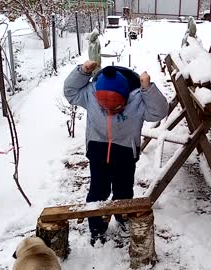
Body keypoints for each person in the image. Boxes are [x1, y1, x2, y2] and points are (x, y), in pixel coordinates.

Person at [63, 60, 168, 246]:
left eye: (117, 106)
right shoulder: (90, 93)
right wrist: (82, 72)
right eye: (104, 106)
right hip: (97, 151)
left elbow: (159, 112)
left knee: (124, 189)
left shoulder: (137, 99)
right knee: (97, 190)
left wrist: (148, 89)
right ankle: (96, 227)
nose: (110, 110)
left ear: (126, 94)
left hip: (126, 153)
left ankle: (123, 219)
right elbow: (70, 92)